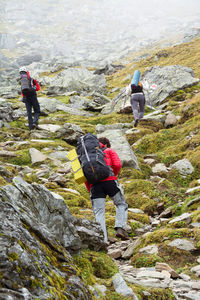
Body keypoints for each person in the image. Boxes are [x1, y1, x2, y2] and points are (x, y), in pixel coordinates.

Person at [85, 137, 129, 243]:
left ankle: (103, 241)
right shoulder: (109, 150)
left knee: (99, 212)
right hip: (110, 182)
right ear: (107, 144)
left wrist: (90, 188)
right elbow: (117, 164)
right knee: (121, 204)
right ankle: (120, 227)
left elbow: (85, 175)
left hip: (95, 186)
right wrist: (113, 174)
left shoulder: (86, 156)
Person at [19, 66, 40, 130]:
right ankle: (35, 122)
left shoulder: (21, 80)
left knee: (29, 112)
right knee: (37, 110)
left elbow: (22, 90)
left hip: (26, 97)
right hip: (33, 96)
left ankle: (31, 128)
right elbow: (38, 88)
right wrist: (34, 89)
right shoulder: (32, 79)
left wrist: (24, 97)